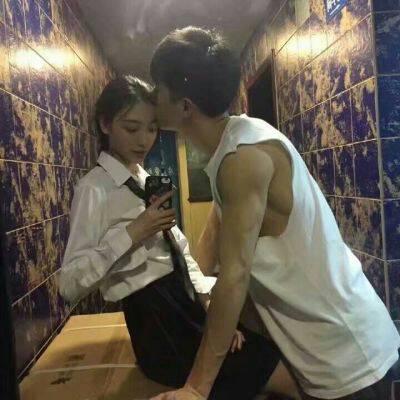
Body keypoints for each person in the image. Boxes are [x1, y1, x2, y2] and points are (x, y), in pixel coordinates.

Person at [149, 26, 400, 400]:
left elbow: (235, 274)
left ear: (185, 106)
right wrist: (206, 299)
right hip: (327, 351)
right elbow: (219, 232)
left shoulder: (242, 159)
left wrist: (196, 389)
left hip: (347, 356)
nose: (152, 97)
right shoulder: (234, 144)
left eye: (158, 89)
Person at [59, 76, 293, 400]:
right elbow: (68, 284)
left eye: (152, 128)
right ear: (105, 124)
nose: (144, 140)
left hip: (184, 304)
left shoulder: (145, 179)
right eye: (131, 128)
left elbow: (178, 250)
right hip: (156, 323)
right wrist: (133, 232)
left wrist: (209, 307)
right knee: (270, 370)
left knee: (266, 350)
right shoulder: (93, 189)